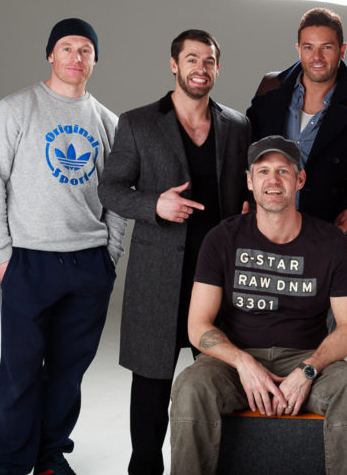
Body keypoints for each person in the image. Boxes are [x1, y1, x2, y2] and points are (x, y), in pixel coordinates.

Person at [169, 136, 347, 475]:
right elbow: (198, 325)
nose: (273, 180)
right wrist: (243, 363)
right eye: (263, 171)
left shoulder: (331, 243)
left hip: (308, 359)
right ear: (250, 181)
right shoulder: (222, 238)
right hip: (236, 362)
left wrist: (308, 369)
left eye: (284, 171)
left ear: (300, 180)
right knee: (191, 386)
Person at [0, 18, 126, 475]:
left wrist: (110, 256)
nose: (76, 57)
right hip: (28, 261)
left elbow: (117, 198)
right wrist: (1, 254)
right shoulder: (15, 111)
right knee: (19, 372)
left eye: (85, 50)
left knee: (67, 371)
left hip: (88, 265)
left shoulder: (107, 122)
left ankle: (50, 455)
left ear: (94, 60)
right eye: (66, 48)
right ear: (50, 55)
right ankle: (9, 462)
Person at [97, 29, 250, 475]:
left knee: (219, 384)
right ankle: (144, 467)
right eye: (191, 59)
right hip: (158, 277)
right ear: (173, 64)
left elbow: (247, 186)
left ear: (217, 68)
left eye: (209, 61)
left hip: (218, 280)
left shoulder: (237, 125)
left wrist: (248, 207)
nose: (200, 68)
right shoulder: (139, 122)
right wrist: (154, 205)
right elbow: (110, 188)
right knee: (150, 388)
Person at [246, 7, 347, 233]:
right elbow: (246, 150)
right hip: (262, 224)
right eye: (308, 47)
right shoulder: (270, 88)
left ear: (342, 50)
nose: (317, 57)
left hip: (319, 231)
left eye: (326, 47)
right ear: (298, 49)